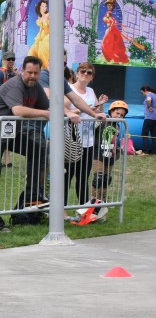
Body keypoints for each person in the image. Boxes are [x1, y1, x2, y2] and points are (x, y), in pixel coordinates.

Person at [0, 55, 106, 232]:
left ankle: (32, 196)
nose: (32, 76)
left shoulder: (36, 87)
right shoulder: (15, 85)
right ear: (22, 71)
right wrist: (47, 114)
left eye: (35, 73)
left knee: (38, 148)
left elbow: (54, 105)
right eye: (29, 72)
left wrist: (90, 114)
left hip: (10, 132)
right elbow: (18, 110)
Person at [63, 63, 108, 210]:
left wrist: (100, 106)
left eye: (89, 73)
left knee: (83, 178)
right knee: (66, 177)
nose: (85, 74)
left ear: (92, 77)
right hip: (71, 141)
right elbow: (63, 109)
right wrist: (81, 111)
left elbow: (96, 112)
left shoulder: (90, 91)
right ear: (77, 73)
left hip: (88, 141)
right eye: (83, 71)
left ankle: (84, 209)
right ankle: (61, 210)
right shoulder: (70, 89)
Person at [89, 100, 128, 203]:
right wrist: (100, 104)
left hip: (110, 155)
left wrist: (116, 150)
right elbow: (98, 115)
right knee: (98, 177)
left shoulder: (117, 126)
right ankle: (94, 200)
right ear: (111, 111)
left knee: (106, 179)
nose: (119, 116)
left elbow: (113, 140)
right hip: (98, 154)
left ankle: (103, 200)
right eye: (117, 113)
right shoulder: (103, 120)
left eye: (122, 115)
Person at [101, 0, 129, 64]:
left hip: (111, 30)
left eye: (110, 5)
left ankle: (115, 59)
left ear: (112, 6)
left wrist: (110, 23)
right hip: (111, 29)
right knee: (108, 44)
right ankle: (114, 58)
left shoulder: (109, 13)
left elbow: (112, 21)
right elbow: (108, 20)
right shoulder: (109, 13)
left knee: (112, 44)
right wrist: (109, 21)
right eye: (108, 5)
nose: (109, 7)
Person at [28, 0, 50, 69]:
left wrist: (45, 23)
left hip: (47, 36)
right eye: (43, 6)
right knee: (32, 51)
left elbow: (47, 30)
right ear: (39, 7)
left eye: (46, 6)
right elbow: (41, 28)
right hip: (40, 36)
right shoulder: (39, 17)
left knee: (42, 52)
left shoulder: (48, 15)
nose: (44, 8)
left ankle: (45, 69)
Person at [140, 85, 156, 155]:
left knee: (144, 134)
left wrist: (149, 106)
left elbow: (149, 100)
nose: (143, 94)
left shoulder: (149, 94)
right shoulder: (155, 95)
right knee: (154, 135)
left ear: (145, 90)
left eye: (142, 92)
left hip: (149, 117)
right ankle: (154, 152)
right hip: (155, 118)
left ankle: (145, 151)